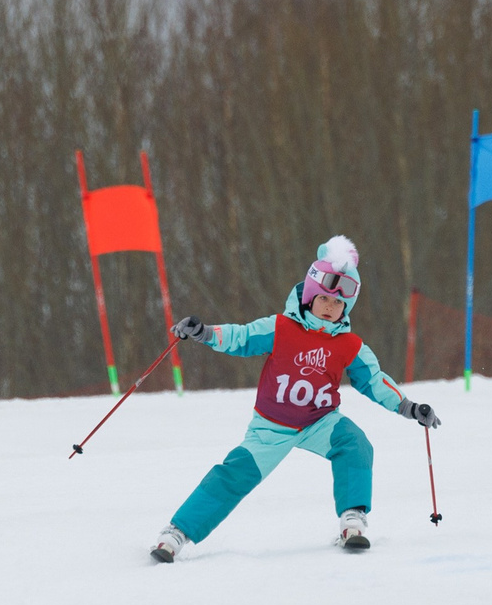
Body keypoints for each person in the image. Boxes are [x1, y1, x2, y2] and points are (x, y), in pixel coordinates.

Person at [149, 235, 439, 561]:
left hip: (320, 422)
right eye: (325, 299)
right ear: (311, 297)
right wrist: (204, 333)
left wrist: (408, 407)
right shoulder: (281, 327)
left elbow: (373, 380)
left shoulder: (348, 344)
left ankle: (352, 519)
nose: (331, 307)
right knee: (233, 474)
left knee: (356, 444)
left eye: (339, 303)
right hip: (271, 427)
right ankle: (176, 533)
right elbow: (240, 337)